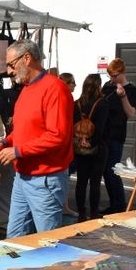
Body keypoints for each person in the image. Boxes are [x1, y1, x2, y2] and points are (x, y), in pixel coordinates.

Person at [0, 39, 74, 238]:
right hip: (23, 177)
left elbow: (57, 136)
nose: (9, 71)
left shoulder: (55, 89)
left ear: (27, 58)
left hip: (45, 179)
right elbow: (24, 130)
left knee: (48, 242)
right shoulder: (26, 90)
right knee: (15, 241)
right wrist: (4, 142)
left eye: (11, 64)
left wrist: (17, 151)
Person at [100, 58, 136, 214]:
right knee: (104, 170)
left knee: (112, 169)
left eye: (115, 76)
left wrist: (123, 96)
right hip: (103, 134)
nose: (112, 79)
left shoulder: (132, 90)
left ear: (123, 72)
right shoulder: (107, 87)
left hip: (117, 134)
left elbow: (131, 113)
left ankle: (120, 204)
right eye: (110, 76)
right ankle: (114, 203)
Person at [73, 74, 109, 222]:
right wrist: (92, 142)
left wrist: (81, 141)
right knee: (95, 182)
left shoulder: (77, 104)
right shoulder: (102, 103)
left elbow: (73, 125)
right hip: (97, 149)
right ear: (98, 86)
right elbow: (100, 129)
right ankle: (93, 213)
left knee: (81, 181)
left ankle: (81, 213)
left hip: (80, 148)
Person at [59, 72, 78, 217]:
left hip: (67, 142)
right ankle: (63, 206)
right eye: (72, 82)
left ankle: (64, 205)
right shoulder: (65, 98)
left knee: (65, 176)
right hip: (64, 143)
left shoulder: (69, 98)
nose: (75, 85)